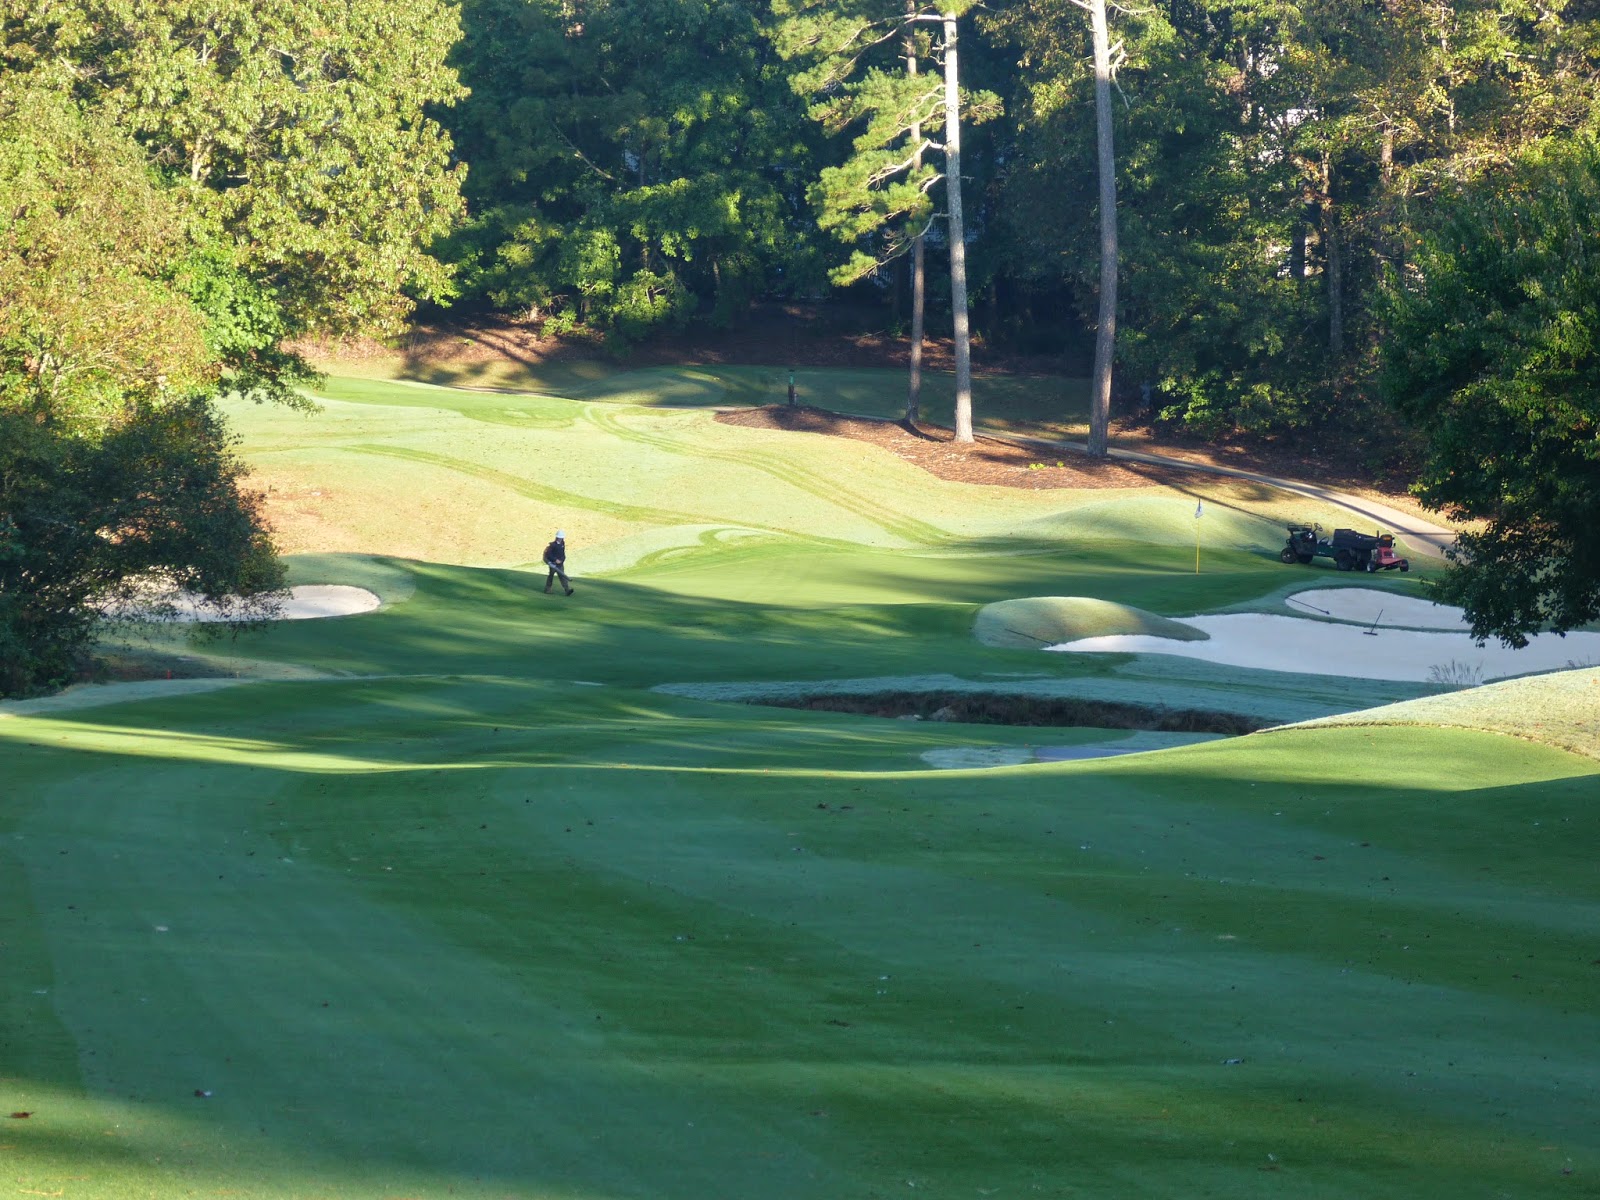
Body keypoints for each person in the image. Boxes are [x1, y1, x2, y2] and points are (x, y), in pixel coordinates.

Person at [542, 530, 573, 595]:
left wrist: (562, 559)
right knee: (551, 576)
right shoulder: (552, 545)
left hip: (560, 564)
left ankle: (567, 590)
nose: (561, 539)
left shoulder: (562, 544)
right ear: (557, 538)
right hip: (553, 564)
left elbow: (562, 554)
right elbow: (549, 555)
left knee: (562, 576)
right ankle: (547, 589)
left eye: (561, 538)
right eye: (559, 538)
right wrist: (555, 560)